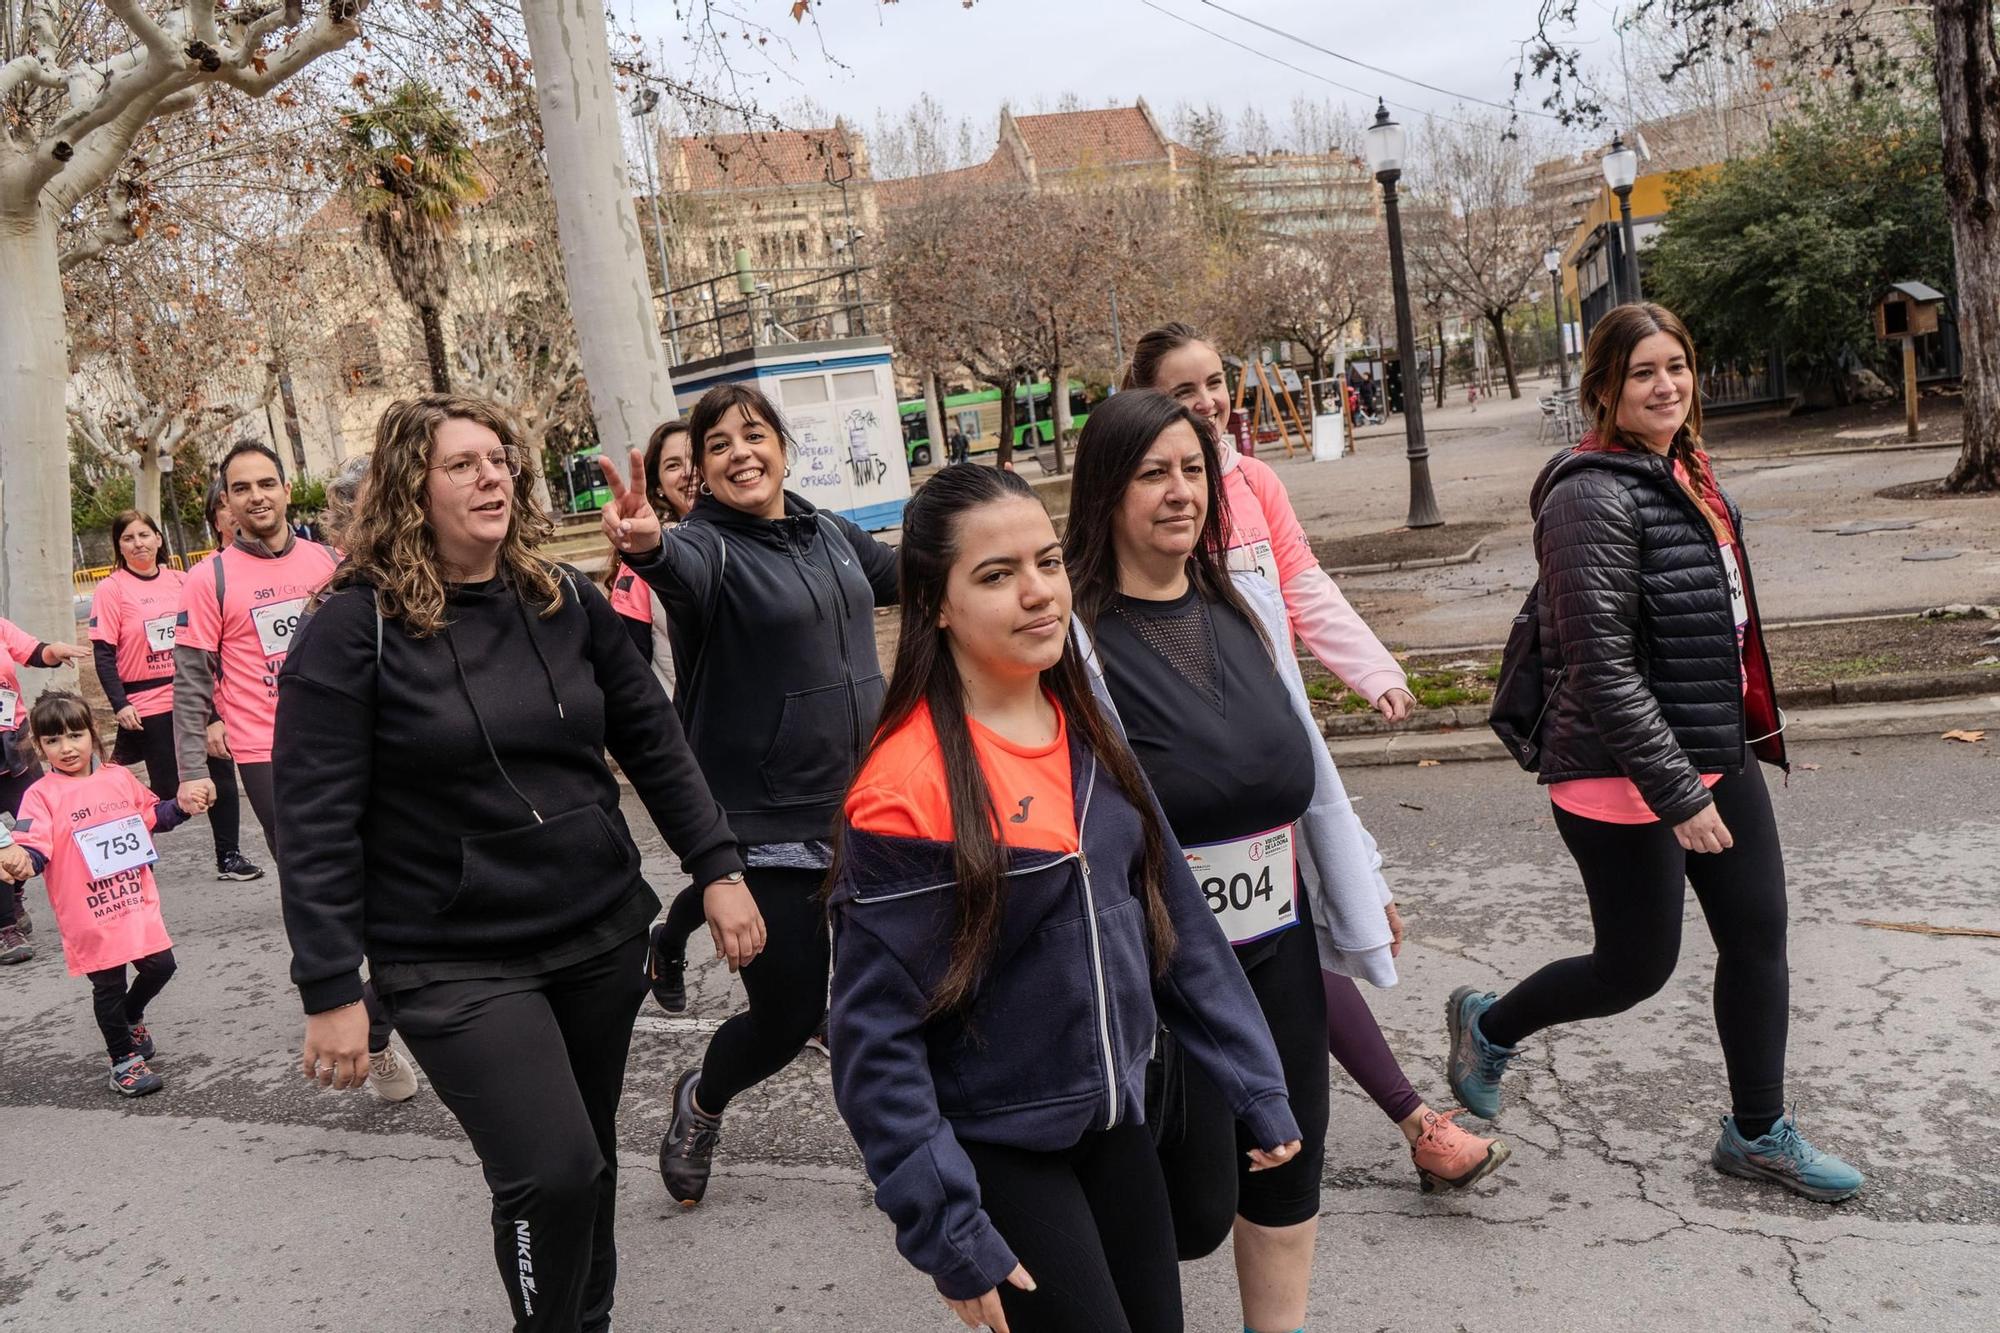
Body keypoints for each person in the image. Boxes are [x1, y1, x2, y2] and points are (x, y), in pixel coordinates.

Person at [277, 394, 745, 1333]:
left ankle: (588, 1318)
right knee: (552, 1167)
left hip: (596, 933)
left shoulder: (560, 596)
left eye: (500, 459)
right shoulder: (350, 628)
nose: (493, 475)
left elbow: (653, 739)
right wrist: (331, 985)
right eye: (463, 464)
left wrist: (718, 866)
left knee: (589, 1163)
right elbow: (315, 820)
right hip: (452, 960)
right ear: (413, 486)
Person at [828, 462, 1300, 1333]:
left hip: (1115, 1118)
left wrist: (1253, 1080)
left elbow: (1177, 920)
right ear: (935, 601)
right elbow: (872, 1041)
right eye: (997, 575)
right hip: (1000, 1144)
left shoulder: (1087, 727)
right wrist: (946, 1223)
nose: (1039, 592)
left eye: (1047, 562)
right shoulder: (904, 786)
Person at [1445, 303, 1864, 1203]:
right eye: (1643, 372)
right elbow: (1599, 666)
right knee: (1635, 967)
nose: (1666, 384)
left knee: (1758, 934)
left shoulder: (1685, 468)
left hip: (1713, 751)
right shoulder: (1588, 494)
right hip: (1618, 774)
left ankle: (1757, 1131)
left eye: (1677, 364)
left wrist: (1729, 746)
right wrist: (1677, 792)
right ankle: (1491, 1024)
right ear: (1604, 386)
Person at [1125, 323, 1504, 1196]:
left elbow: (1301, 586)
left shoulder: (1255, 484)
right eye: (1182, 392)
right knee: (1241, 961)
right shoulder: (1137, 503)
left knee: (1295, 938)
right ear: (1142, 401)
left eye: (1215, 382)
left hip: (1270, 763)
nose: (1207, 403)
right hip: (1183, 786)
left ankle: (1408, 1120)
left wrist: (1372, 672)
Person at [598, 381, 900, 1207]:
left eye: (755, 434)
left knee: (889, 998)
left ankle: (900, 1143)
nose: (742, 452)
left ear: (781, 445)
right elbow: (673, 562)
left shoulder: (829, 531)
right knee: (788, 1015)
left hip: (869, 810)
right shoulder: (708, 549)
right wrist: (645, 542)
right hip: (766, 826)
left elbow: (908, 575)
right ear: (697, 469)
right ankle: (701, 1098)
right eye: (719, 444)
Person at [173, 442, 419, 1100]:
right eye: (240, 487)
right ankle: (354, 1003)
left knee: (393, 875)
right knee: (321, 880)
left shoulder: (328, 561)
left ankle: (365, 1001)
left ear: (287, 491)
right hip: (267, 752)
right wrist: (192, 767)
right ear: (225, 503)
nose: (256, 496)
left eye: (267, 483)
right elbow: (191, 679)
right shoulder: (209, 579)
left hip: (351, 735)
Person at [6, 690, 210, 1096]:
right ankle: (123, 1062)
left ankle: (132, 1017)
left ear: (93, 734)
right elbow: (33, 849)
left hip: (136, 902)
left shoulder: (118, 778)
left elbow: (153, 816)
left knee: (161, 966)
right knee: (109, 987)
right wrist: (20, 862)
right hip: (89, 914)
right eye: (52, 741)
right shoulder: (41, 795)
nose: (66, 748)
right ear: (39, 747)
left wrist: (185, 805)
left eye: (75, 735)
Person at [89, 509, 263, 884]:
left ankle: (229, 856)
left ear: (159, 538)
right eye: (128, 538)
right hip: (147, 702)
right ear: (119, 547)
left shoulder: (183, 581)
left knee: (219, 772)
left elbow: (208, 643)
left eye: (145, 535)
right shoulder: (111, 589)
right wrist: (120, 703)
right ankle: (128, 855)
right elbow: (103, 654)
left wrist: (219, 700)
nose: (139, 543)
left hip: (196, 694)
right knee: (169, 790)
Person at [0, 613, 86, 963]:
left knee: (39, 827)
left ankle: (15, 891)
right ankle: (5, 927)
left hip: (13, 743)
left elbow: (33, 651)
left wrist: (54, 651)